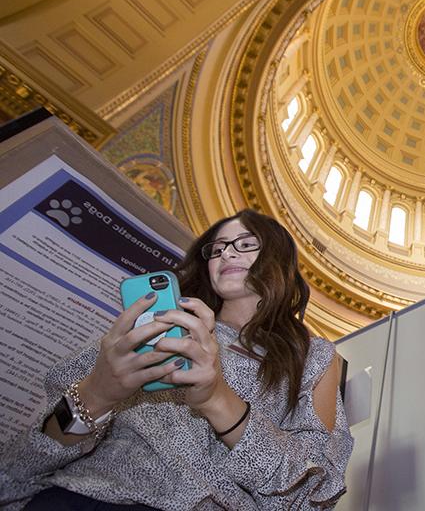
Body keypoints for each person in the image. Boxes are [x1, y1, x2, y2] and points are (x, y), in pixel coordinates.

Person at [0, 209, 353, 509]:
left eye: (245, 245)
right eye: (217, 249)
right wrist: (96, 394)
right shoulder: (153, 325)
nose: (227, 255)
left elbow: (312, 495)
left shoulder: (313, 357)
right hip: (77, 497)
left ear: (279, 259)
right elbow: (24, 462)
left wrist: (218, 399)